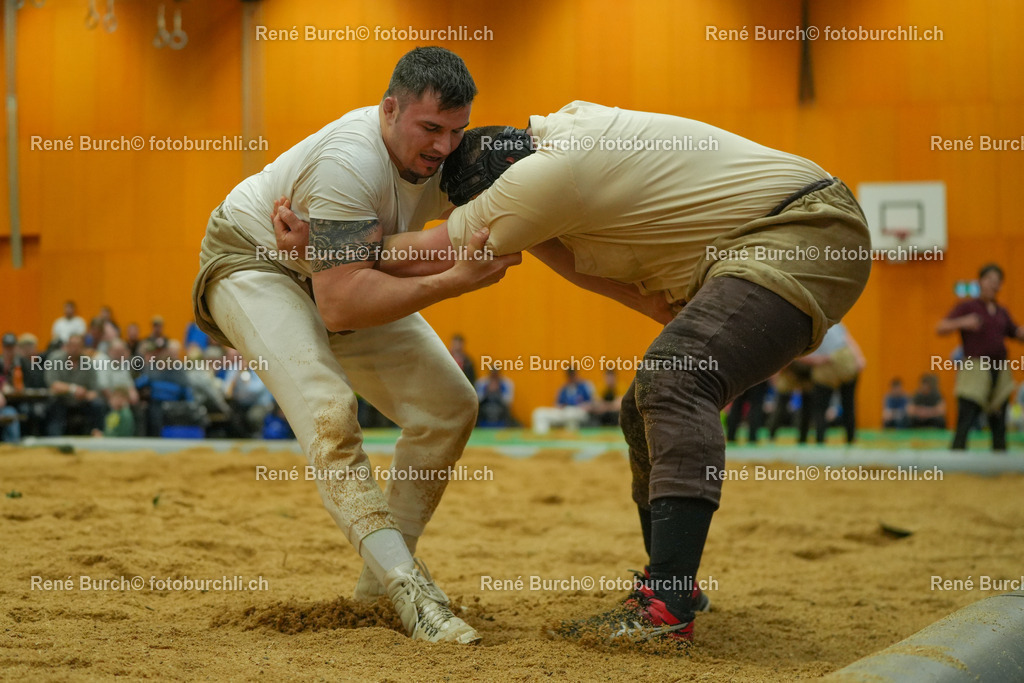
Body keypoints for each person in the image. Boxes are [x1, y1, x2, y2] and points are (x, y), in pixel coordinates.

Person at [274, 101, 871, 645]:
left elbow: (446, 250)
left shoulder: (538, 181)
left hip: (800, 234)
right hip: (772, 234)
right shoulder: (560, 136)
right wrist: (649, 306)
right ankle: (674, 588)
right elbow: (556, 249)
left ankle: (664, 610)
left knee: (675, 378)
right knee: (643, 405)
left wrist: (328, 246)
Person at [191, 47, 518, 645]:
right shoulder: (351, 162)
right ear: (389, 108)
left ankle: (377, 587)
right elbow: (341, 302)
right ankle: (408, 589)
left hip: (336, 267)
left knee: (450, 406)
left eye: (457, 131)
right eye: (430, 128)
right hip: (256, 263)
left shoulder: (455, 162)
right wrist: (450, 280)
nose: (446, 147)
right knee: (329, 412)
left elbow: (413, 251)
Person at [937, 264, 1024, 451]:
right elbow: (941, 327)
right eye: (989, 280)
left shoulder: (1002, 312)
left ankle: (999, 459)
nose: (993, 284)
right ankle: (957, 456)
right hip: (975, 368)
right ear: (980, 282)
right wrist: (963, 322)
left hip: (1000, 369)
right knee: (967, 414)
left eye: (997, 281)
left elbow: (1015, 332)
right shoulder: (968, 307)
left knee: (999, 417)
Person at [797, 322, 865, 444]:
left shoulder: (810, 324)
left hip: (830, 362)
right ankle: (847, 439)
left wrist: (818, 360)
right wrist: (859, 358)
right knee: (844, 404)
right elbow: (847, 339)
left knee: (823, 407)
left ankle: (822, 439)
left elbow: (797, 355)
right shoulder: (832, 320)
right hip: (837, 361)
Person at [531, 368, 596, 434]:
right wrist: (560, 406)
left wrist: (586, 406)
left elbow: (593, 402)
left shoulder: (586, 386)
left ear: (576, 375)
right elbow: (558, 404)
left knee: (571, 413)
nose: (571, 378)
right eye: (569, 376)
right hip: (565, 412)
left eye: (573, 375)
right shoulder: (564, 388)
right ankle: (541, 438)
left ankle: (570, 438)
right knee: (539, 413)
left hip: (580, 412)